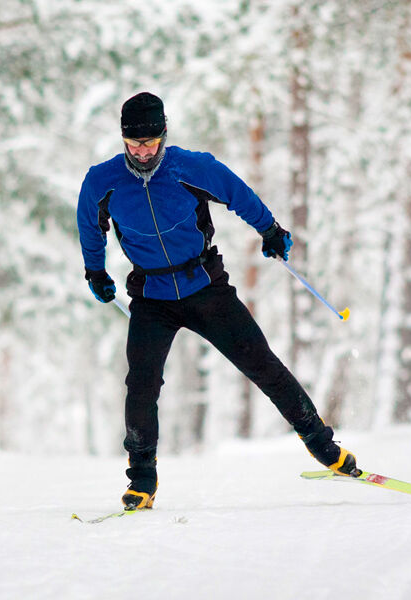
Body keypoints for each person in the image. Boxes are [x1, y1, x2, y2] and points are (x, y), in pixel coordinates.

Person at [76, 92, 361, 511]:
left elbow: (238, 194)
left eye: (150, 143)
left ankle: (324, 447)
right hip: (151, 297)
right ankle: (142, 479)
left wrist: (270, 230)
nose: (142, 152)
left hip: (205, 286)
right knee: (141, 384)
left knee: (262, 365)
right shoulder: (103, 182)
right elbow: (89, 226)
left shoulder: (191, 168)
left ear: (163, 136)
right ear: (122, 140)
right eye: (134, 145)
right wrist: (95, 272)